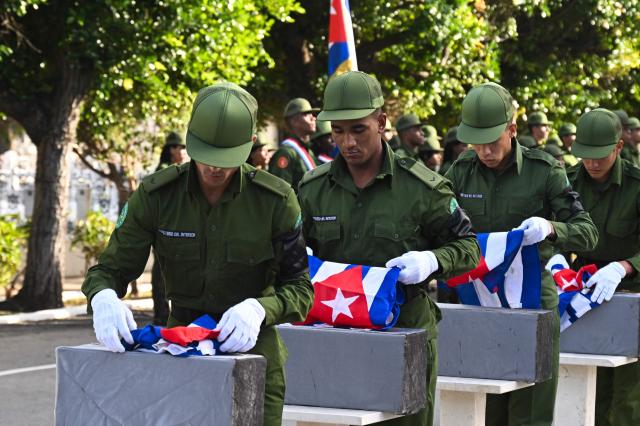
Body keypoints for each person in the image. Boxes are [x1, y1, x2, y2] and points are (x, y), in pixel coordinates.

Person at [81, 82, 314, 426]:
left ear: (249, 146)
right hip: (181, 352)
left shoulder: (275, 200)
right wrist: (102, 297)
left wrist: (259, 309)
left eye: (226, 158)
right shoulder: (157, 195)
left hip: (253, 352)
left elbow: (300, 288)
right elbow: (111, 269)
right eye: (205, 154)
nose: (214, 169)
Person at [298, 70, 480, 426]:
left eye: (358, 129)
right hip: (334, 334)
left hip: (403, 332)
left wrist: (431, 260)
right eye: (337, 131)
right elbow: (290, 252)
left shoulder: (423, 188)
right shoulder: (312, 189)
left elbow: (468, 248)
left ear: (381, 123)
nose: (347, 142)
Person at [444, 82, 597, 426]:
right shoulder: (460, 172)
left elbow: (587, 232)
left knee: (531, 411)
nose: (484, 150)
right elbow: (433, 224)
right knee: (487, 407)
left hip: (532, 302)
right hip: (479, 299)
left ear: (512, 130)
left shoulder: (545, 171)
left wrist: (552, 228)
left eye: (492, 140)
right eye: (476, 141)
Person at [565, 108, 640, 426]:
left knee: (627, 399)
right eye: (586, 155)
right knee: (584, 389)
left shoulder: (636, 186)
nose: (593, 163)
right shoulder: (565, 184)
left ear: (619, 147)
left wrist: (625, 266)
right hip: (582, 298)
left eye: (601, 155)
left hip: (632, 298)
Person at [151, 131, 189, 325]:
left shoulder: (184, 170)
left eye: (183, 147)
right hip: (164, 228)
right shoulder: (164, 171)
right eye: (177, 147)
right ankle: (161, 316)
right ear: (169, 150)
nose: (181, 151)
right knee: (162, 274)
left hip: (181, 229)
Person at [269, 98, 319, 190]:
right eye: (306, 114)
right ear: (294, 121)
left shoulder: (308, 151)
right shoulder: (286, 153)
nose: (313, 118)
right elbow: (280, 193)